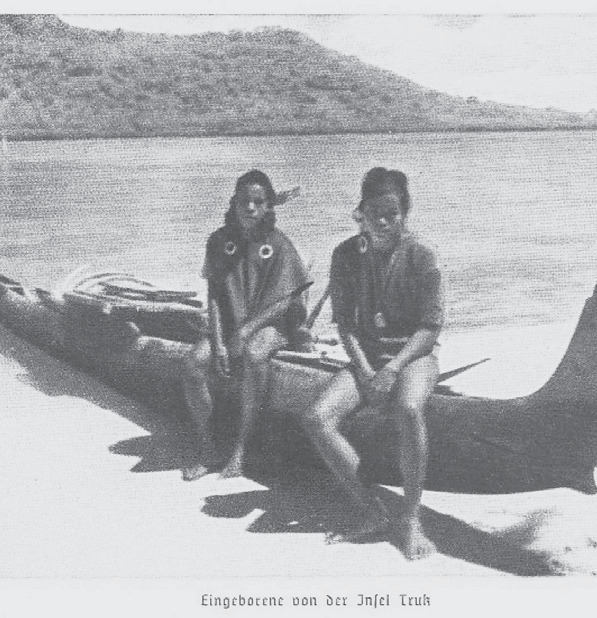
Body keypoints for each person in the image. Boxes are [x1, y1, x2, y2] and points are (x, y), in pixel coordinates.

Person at [300, 167, 444, 560]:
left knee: (409, 408)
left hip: (413, 356)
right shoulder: (346, 254)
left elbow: (430, 328)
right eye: (375, 212)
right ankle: (372, 509)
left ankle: (411, 519)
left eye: (392, 214)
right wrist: (364, 370)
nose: (383, 222)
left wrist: (393, 369)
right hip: (367, 358)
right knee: (315, 418)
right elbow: (344, 324)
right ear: (360, 212)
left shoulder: (421, 254)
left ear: (404, 214)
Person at [181, 170, 309, 481]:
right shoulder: (220, 240)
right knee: (193, 365)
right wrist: (218, 340)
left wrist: (245, 332)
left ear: (268, 206)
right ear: (234, 203)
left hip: (273, 325)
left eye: (257, 202)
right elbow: (213, 294)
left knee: (253, 356)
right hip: (230, 324)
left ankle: (241, 448)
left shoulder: (279, 244)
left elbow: (285, 302)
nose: (250, 208)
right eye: (244, 201)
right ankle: (209, 446)